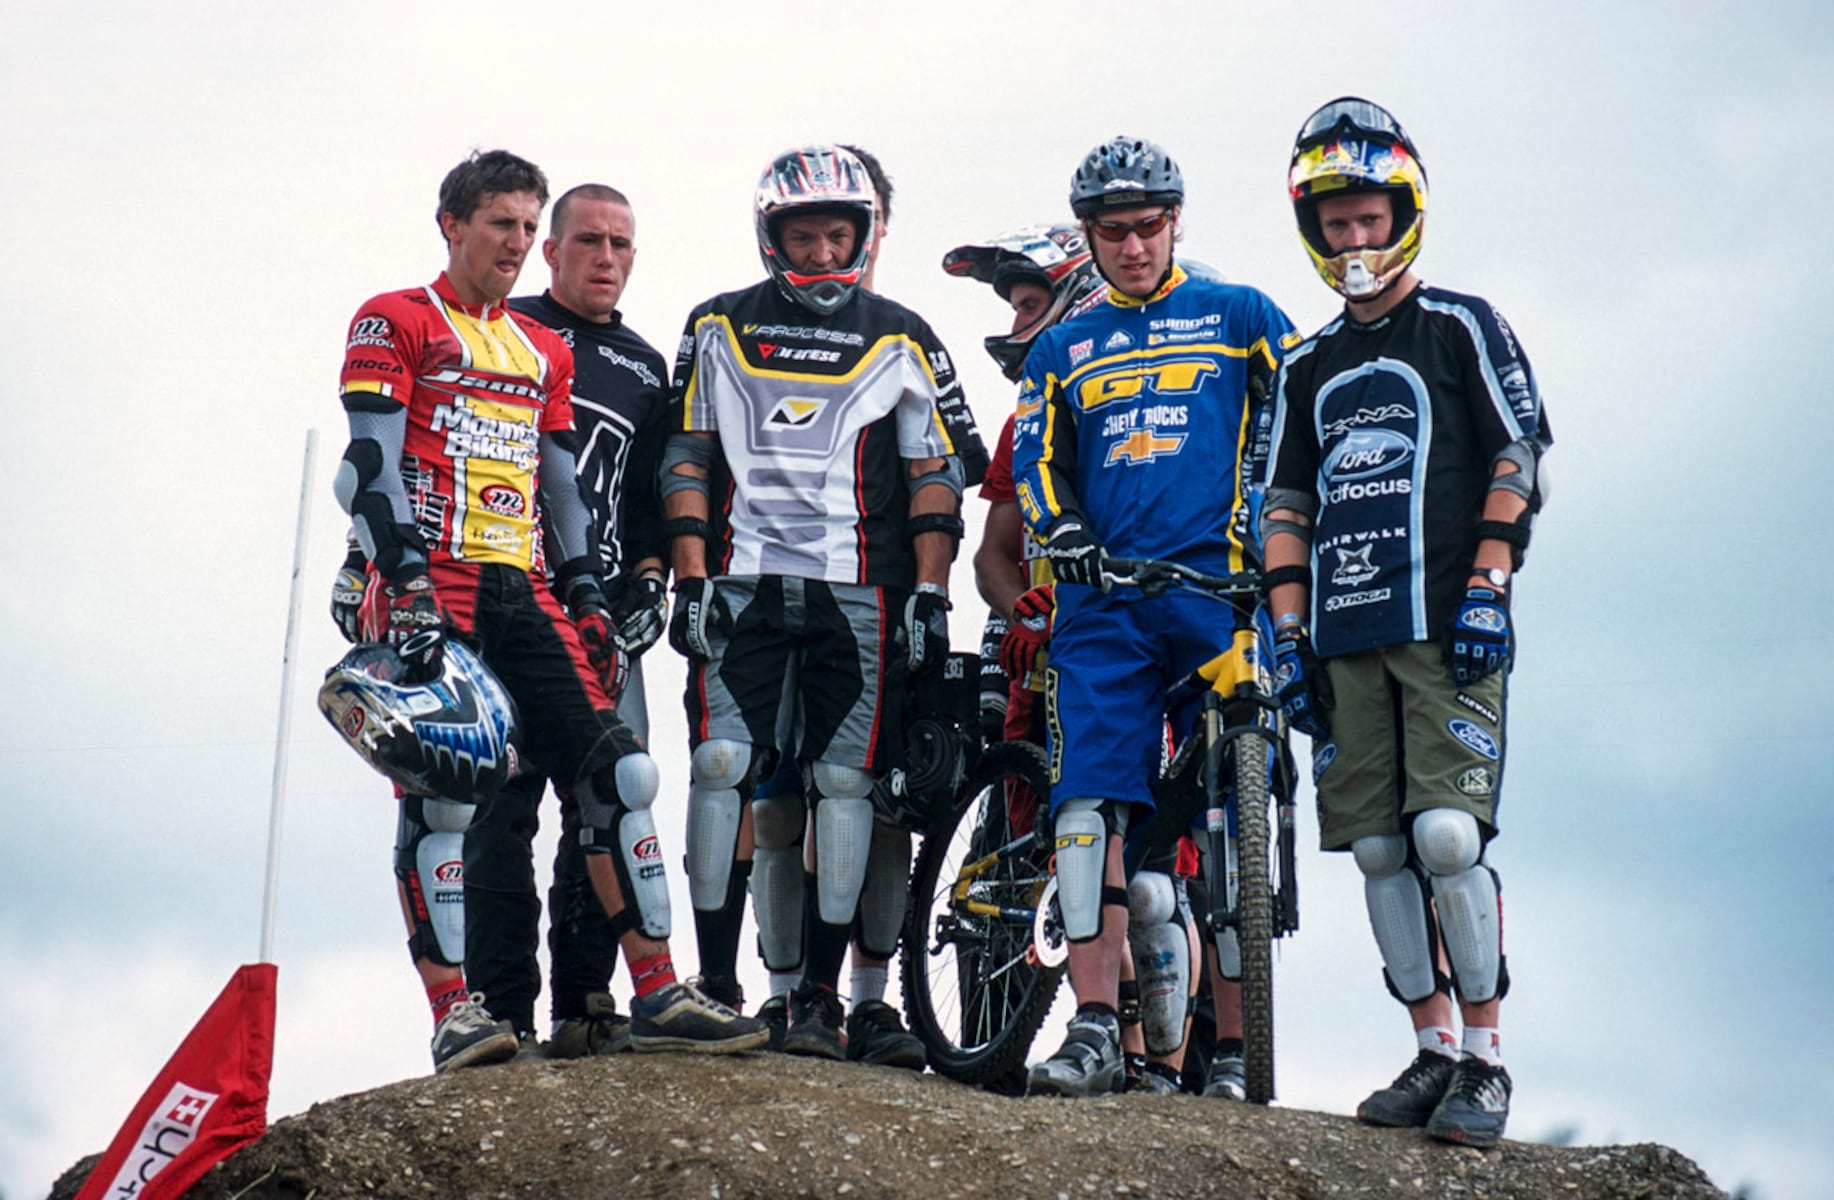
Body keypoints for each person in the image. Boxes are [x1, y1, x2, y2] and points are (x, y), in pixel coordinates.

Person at [332, 149, 766, 1073]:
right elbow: (365, 467)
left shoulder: (544, 348)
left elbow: (561, 486)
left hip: (525, 587)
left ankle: (658, 992)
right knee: (450, 795)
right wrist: (398, 577)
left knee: (621, 773)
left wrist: (586, 593)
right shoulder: (393, 317)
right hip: (433, 581)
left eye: (529, 227)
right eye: (503, 224)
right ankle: (456, 1012)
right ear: (452, 224)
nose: (518, 243)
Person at [1261, 97, 1551, 1147]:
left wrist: (1489, 585)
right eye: (1335, 221)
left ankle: (1486, 1059)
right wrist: (1287, 636)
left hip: (1445, 623)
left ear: (1405, 217)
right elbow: (1284, 506)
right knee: (1381, 849)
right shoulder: (1304, 365)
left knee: (1446, 834)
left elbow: (1519, 455)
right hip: (1344, 631)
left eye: (1369, 218)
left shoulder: (1462, 325)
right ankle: (1430, 1049)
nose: (1354, 239)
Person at [664, 143, 981, 1061]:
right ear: (772, 236)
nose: (820, 253)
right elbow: (685, 455)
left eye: (836, 235)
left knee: (848, 786)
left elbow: (936, 474)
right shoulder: (715, 323)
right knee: (721, 765)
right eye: (803, 236)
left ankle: (822, 1002)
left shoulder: (905, 333)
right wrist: (691, 578)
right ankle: (717, 985)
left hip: (862, 590)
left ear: (865, 234)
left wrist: (930, 594)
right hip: (743, 583)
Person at [1010, 136, 1297, 1098]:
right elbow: (1034, 462)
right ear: (1087, 237)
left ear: (1175, 222)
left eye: (1146, 227)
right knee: (1086, 809)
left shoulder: (1242, 314)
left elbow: (1299, 422)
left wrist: (1272, 528)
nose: (1131, 248)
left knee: (1233, 819)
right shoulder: (1061, 347)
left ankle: (1236, 1049)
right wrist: (1060, 529)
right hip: (1103, 604)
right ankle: (1095, 1025)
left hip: (1221, 596)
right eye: (1111, 232)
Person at [458, 182, 676, 1059]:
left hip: (599, 617)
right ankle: (501, 1011)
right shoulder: (502, 331)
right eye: (589, 241)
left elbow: (651, 498)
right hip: (501, 597)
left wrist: (651, 579)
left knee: (608, 797)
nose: (606, 259)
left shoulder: (646, 366)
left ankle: (586, 1003)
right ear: (549, 250)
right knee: (498, 807)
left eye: (621, 245)